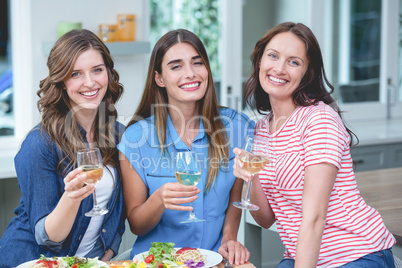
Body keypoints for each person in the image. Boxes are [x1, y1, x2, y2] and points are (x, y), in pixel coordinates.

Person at [233, 22, 396, 267]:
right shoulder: (261, 129)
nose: (279, 68)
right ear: (259, 61)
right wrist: (251, 177)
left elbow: (315, 216)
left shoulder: (318, 120)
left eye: (294, 61)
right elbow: (265, 218)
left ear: (307, 73)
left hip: (356, 253)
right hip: (304, 255)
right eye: (273, 56)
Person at [117, 29, 254, 266]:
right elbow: (137, 223)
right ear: (159, 78)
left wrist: (230, 238)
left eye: (197, 63)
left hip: (214, 261)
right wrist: (158, 200)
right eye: (176, 66)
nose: (190, 74)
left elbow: (236, 195)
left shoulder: (237, 128)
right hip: (157, 262)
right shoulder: (136, 139)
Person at [0, 29, 126, 267]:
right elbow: (48, 237)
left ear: (108, 73)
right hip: (33, 260)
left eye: (97, 70)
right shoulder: (39, 143)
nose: (90, 82)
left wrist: (107, 255)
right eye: (76, 73)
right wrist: (71, 197)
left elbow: (119, 212)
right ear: (62, 81)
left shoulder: (119, 135)